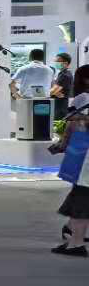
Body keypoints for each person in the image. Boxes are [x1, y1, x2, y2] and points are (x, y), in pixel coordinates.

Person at [51, 91, 89, 258]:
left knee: (81, 205)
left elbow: (73, 124)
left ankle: (77, 243)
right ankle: (74, 239)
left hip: (85, 168)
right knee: (78, 202)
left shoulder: (83, 103)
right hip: (83, 168)